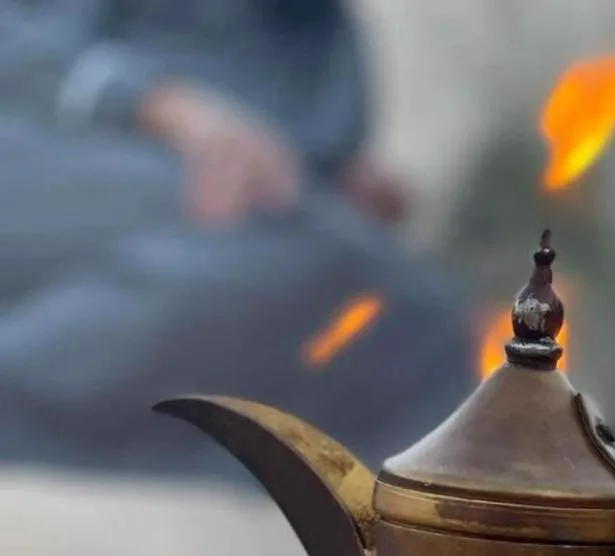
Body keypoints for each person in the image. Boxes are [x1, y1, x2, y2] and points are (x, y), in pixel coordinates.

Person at [0, 0, 475, 478]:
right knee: (292, 251)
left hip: (234, 224)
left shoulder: (319, 33)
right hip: (53, 141)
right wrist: (156, 101)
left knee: (426, 319)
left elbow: (300, 154)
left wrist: (331, 179)